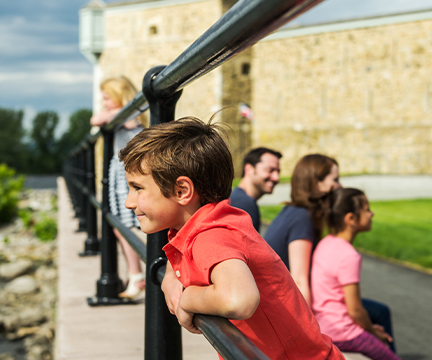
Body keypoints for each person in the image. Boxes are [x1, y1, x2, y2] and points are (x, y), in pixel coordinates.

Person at [118, 117, 343, 360]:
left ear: (182, 191)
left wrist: (188, 298)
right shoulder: (205, 223)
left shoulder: (212, 235)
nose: (129, 202)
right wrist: (172, 275)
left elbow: (239, 300)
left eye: (138, 188)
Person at [311, 188, 400, 360]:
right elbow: (356, 310)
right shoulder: (349, 255)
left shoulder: (325, 243)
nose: (371, 214)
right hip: (343, 333)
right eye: (367, 209)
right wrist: (374, 332)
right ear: (351, 219)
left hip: (325, 326)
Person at [91, 76, 147, 299]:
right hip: (120, 172)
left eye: (107, 98)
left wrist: (114, 113)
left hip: (127, 173)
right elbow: (97, 119)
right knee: (119, 225)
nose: (104, 103)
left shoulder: (131, 116)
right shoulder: (126, 114)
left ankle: (138, 275)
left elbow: (98, 120)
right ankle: (135, 274)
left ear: (119, 96)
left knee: (125, 225)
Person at [263, 154, 341, 306]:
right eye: (335, 180)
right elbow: (298, 280)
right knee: (379, 313)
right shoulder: (303, 218)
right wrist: (310, 328)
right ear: (317, 183)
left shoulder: (292, 210)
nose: (340, 186)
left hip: (276, 301)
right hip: (281, 305)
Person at [230, 147, 282, 233]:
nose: (276, 178)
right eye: (270, 170)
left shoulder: (236, 198)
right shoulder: (245, 205)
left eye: (278, 172)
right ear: (249, 169)